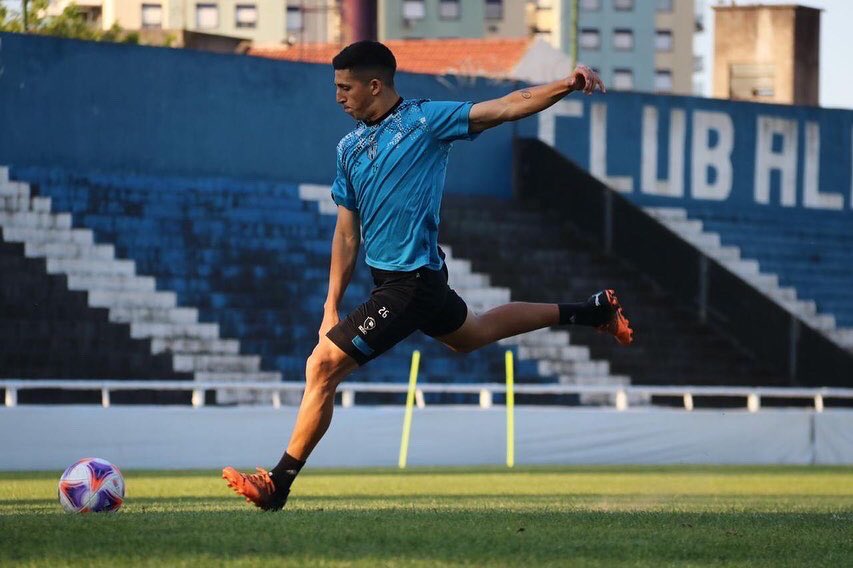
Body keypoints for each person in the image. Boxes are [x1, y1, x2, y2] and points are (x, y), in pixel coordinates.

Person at [223, 41, 632, 511]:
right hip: (406, 282)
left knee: (321, 368)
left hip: (410, 281)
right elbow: (345, 235)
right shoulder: (349, 148)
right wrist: (330, 305)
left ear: (374, 85)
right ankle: (592, 311)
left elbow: (505, 106)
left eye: (345, 87)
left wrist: (565, 83)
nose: (338, 97)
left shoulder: (425, 121)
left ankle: (278, 483)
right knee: (472, 333)